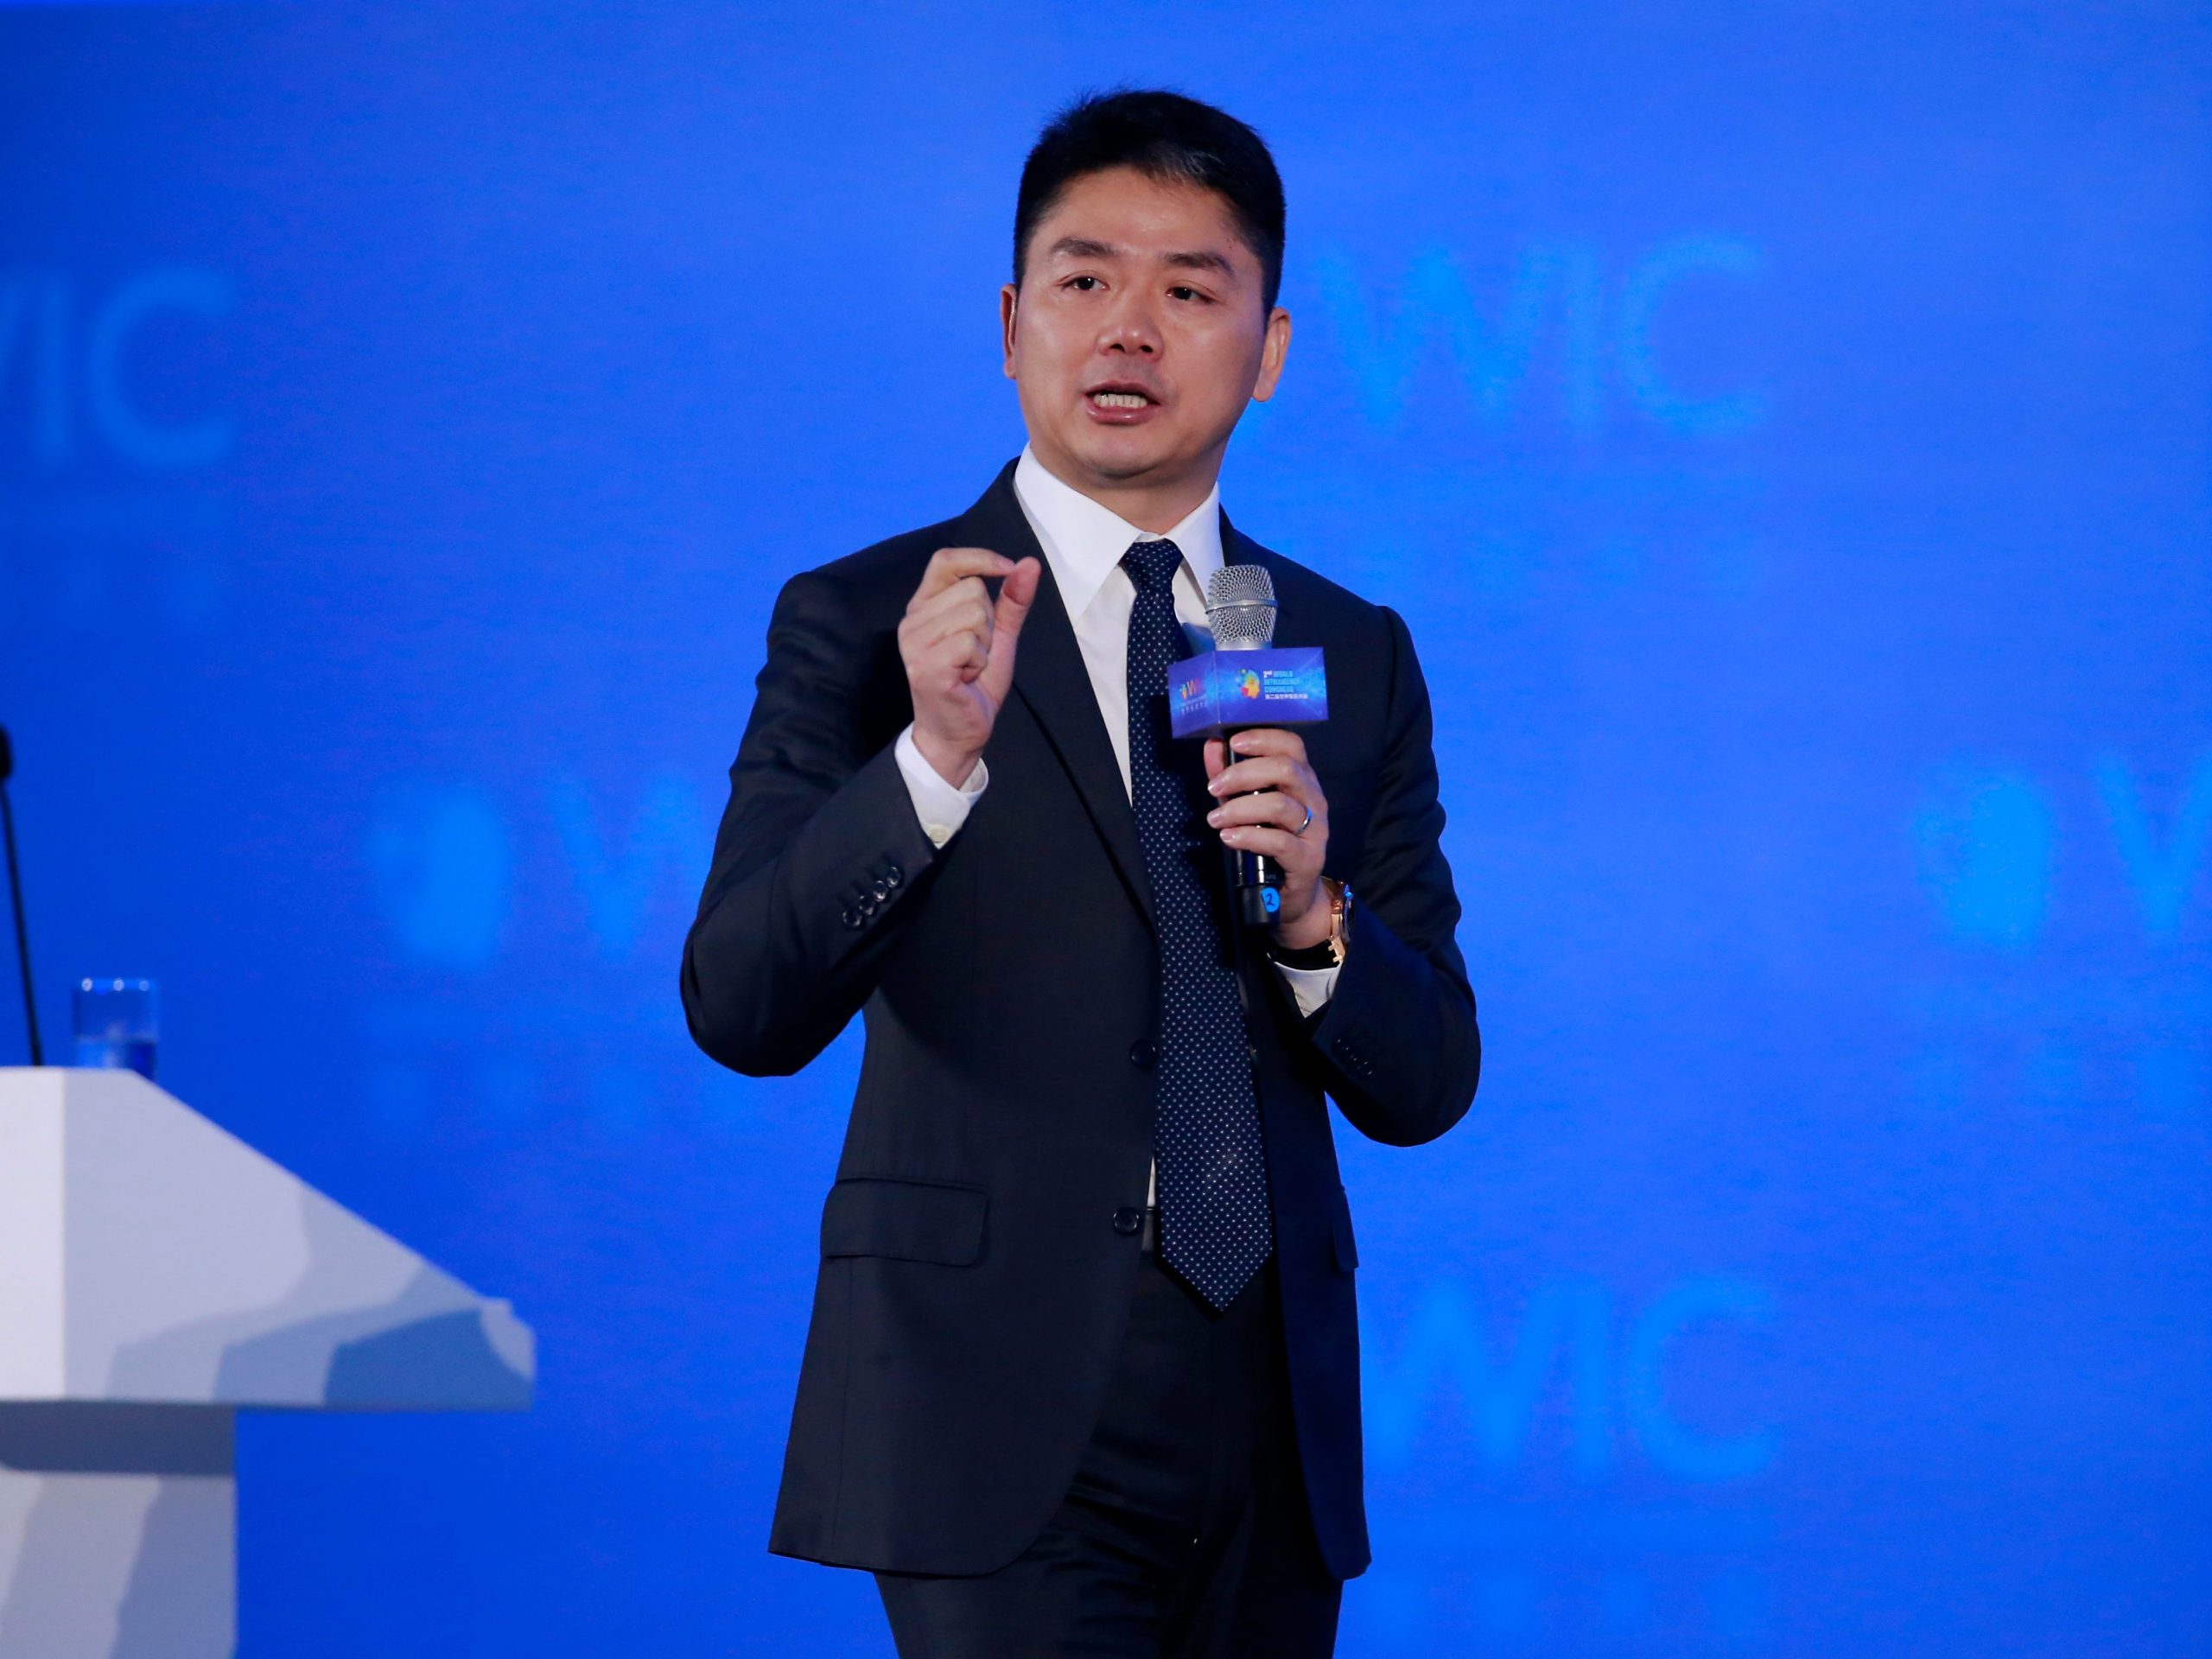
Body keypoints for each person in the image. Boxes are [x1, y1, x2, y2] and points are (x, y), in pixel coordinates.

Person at [682, 87, 1480, 1658]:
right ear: (1009, 321)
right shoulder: (867, 624)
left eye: (1190, 292)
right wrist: (928, 766)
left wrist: (1320, 917)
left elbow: (1431, 1074)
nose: (1130, 330)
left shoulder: (1350, 651)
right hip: (988, 1403)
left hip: (1265, 1413)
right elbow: (740, 1004)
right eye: (1083, 279)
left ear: (1269, 349)